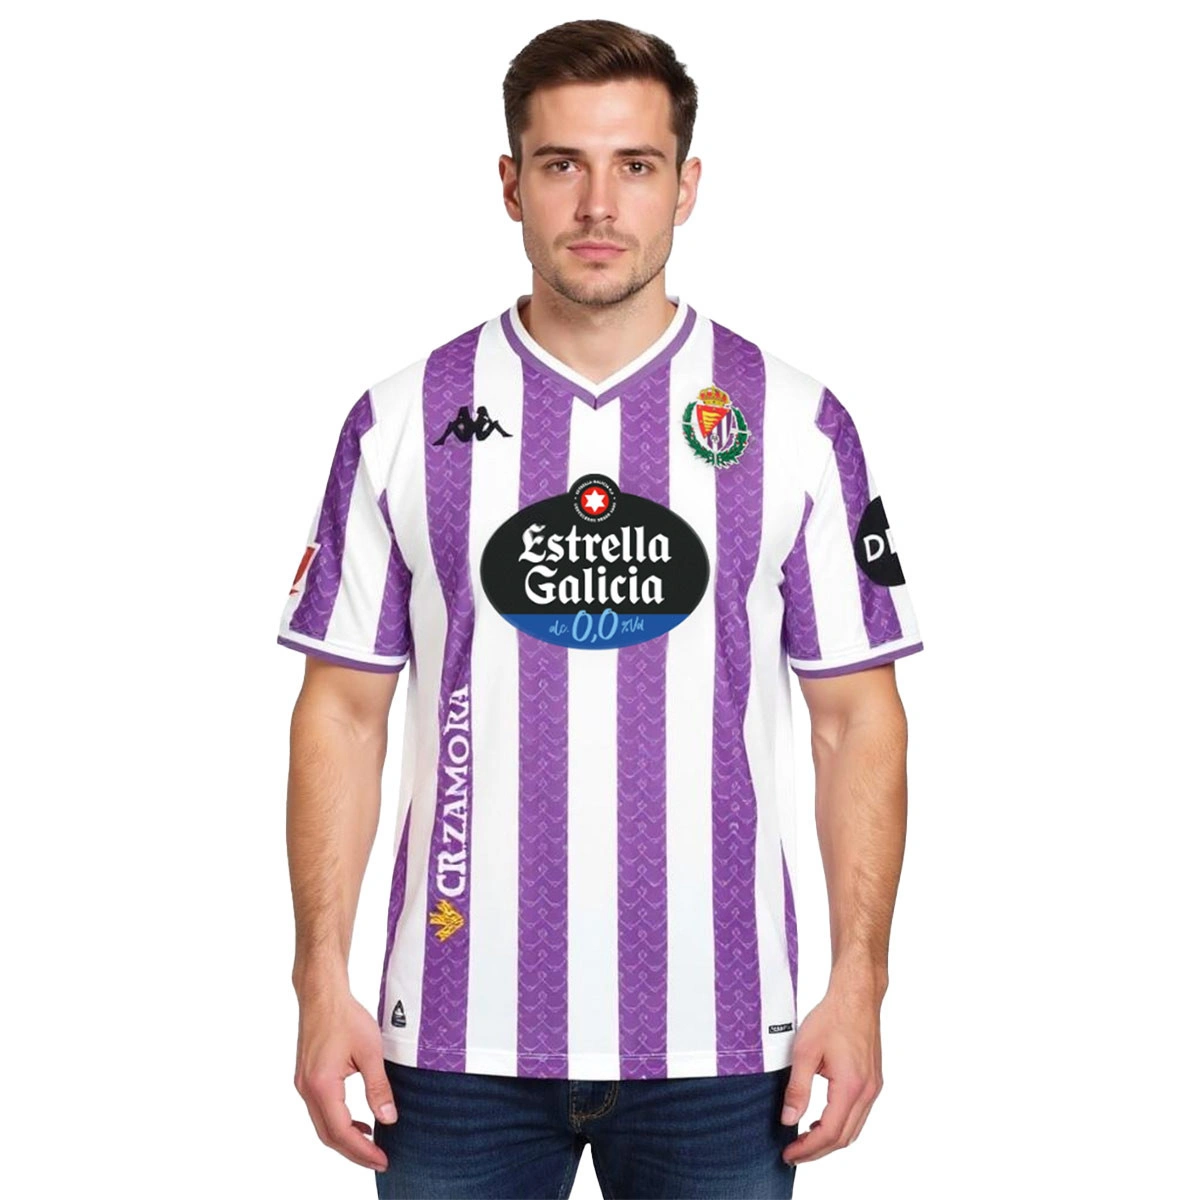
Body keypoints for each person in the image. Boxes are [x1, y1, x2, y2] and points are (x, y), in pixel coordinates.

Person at [277, 18, 924, 1199]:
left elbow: (855, 721)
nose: (597, 204)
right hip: (451, 1048)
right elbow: (342, 713)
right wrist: (320, 980)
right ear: (510, 184)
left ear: (687, 186)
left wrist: (860, 983)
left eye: (634, 165)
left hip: (728, 1048)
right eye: (562, 164)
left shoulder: (794, 421)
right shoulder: (401, 419)